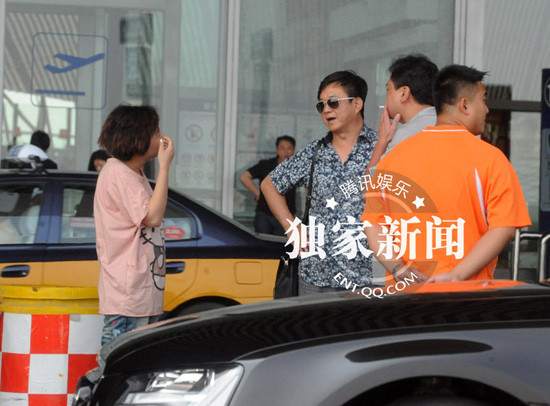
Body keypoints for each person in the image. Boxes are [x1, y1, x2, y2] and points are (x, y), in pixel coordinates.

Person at [363, 64, 531, 284]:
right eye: (483, 100)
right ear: (465, 105)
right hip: (467, 296)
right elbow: (504, 228)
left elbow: (373, 224)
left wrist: (397, 268)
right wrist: (455, 275)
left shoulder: (393, 158)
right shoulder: (491, 159)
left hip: (405, 297)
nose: (487, 110)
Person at [261, 70, 378, 295]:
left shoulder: (380, 148)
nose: (326, 110)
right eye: (321, 105)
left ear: (357, 104)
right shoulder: (314, 153)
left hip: (366, 277)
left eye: (333, 102)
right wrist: (293, 229)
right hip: (315, 276)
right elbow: (270, 185)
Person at [94, 105, 174, 346]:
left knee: (136, 360)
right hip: (128, 294)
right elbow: (152, 217)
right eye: (156, 132)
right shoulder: (117, 173)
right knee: (120, 360)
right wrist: (164, 166)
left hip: (139, 292)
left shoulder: (132, 173)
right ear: (138, 137)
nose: (161, 137)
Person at [368, 54, 438, 170]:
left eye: (388, 89)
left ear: (404, 93)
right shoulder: (450, 123)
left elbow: (373, 181)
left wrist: (381, 142)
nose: (386, 97)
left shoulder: (406, 135)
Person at [239, 135, 296, 235]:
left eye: (289, 148)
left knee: (280, 243)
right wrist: (258, 193)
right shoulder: (266, 165)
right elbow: (244, 177)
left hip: (286, 215)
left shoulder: (297, 168)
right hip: (264, 213)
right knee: (263, 242)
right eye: (282, 148)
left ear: (293, 150)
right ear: (277, 150)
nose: (286, 152)